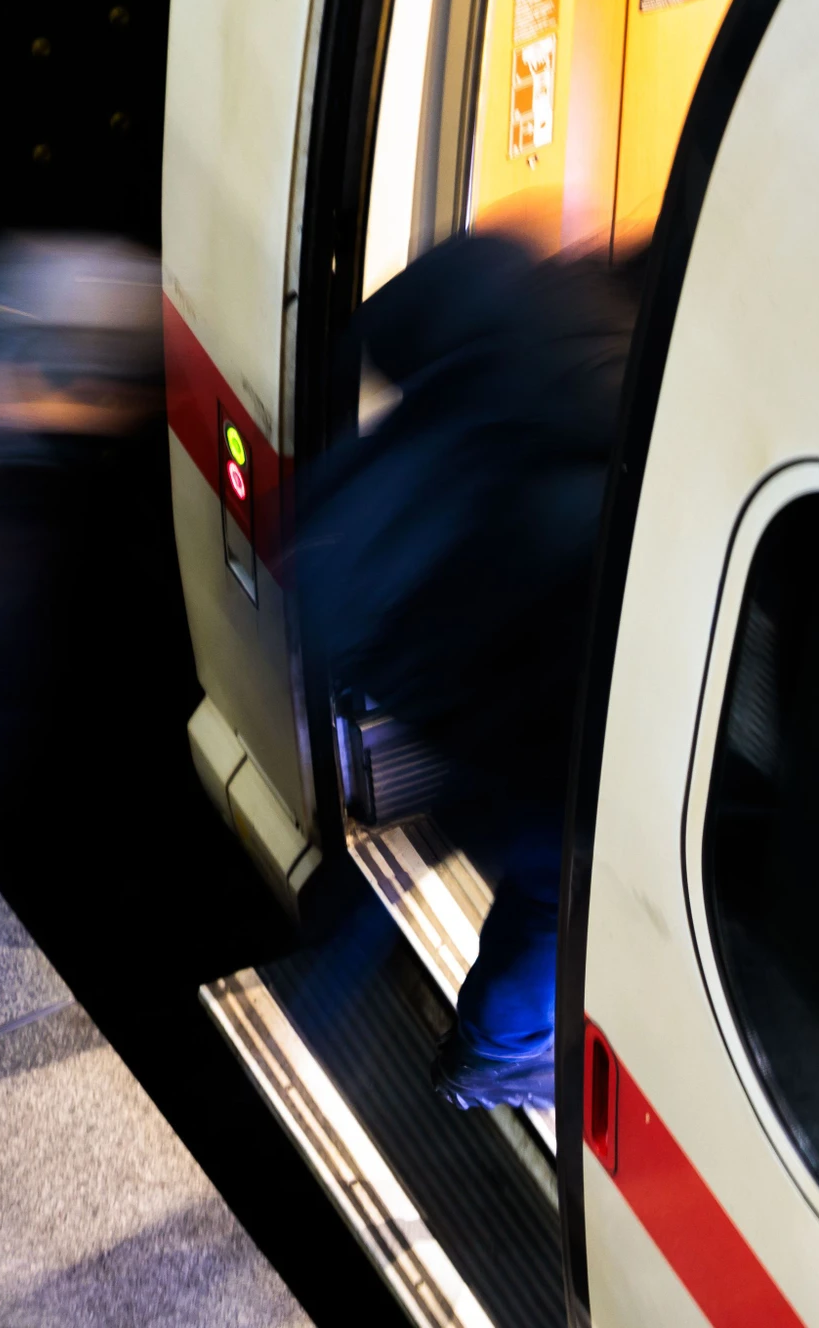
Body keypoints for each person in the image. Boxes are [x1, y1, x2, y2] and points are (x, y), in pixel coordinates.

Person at [292, 231, 634, 1111]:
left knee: (508, 806)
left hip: (356, 557)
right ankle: (496, 1055)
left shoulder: (555, 287)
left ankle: (366, 906)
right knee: (556, 872)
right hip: (439, 633)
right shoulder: (636, 486)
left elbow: (378, 326)